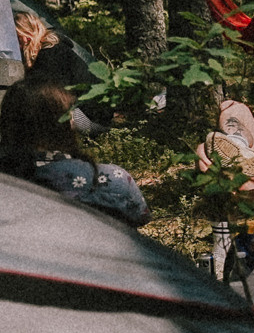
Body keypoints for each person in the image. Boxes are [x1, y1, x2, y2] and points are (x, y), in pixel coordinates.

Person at [0, 79, 149, 227]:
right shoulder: (114, 180)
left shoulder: (8, 181)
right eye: (71, 114)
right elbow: (140, 218)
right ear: (66, 123)